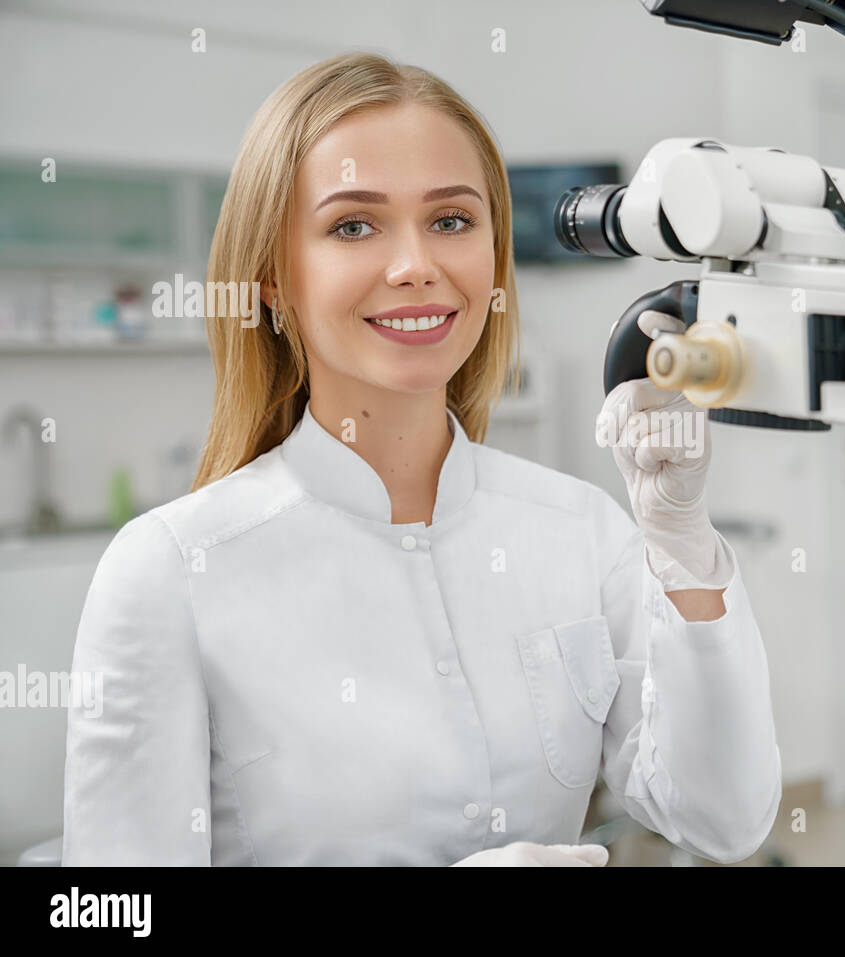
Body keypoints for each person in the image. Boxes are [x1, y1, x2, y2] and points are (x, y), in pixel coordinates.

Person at [61, 52, 780, 867]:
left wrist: (681, 544)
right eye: (353, 225)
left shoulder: (581, 530)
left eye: (450, 221)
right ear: (270, 279)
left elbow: (725, 819)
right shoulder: (170, 572)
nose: (416, 266)